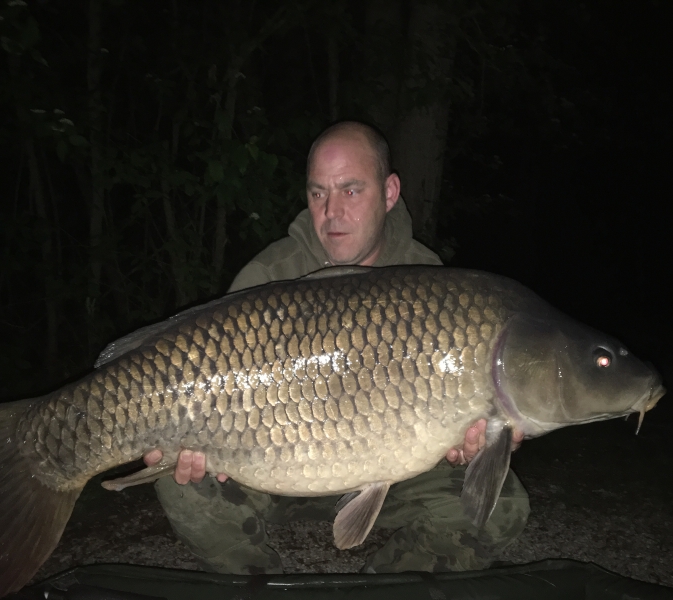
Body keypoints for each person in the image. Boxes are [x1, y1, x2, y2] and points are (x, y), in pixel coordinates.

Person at [144, 121, 529, 574]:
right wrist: (195, 449)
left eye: (350, 191)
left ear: (389, 193)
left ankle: (384, 587)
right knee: (180, 480)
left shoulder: (428, 278)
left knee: (499, 507)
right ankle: (255, 583)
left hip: (389, 469)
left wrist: (471, 446)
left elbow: (456, 421)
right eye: (317, 193)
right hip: (272, 469)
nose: (330, 212)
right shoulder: (268, 276)